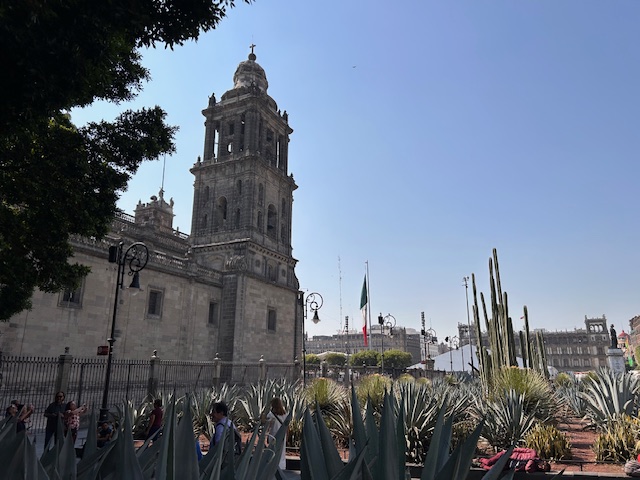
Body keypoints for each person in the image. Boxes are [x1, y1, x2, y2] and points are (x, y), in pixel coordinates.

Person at [265, 397, 287, 470]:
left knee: (273, 451)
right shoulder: (285, 414)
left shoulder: (271, 415)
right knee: (282, 451)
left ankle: (272, 466)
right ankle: (282, 466)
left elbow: (268, 425)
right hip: (283, 434)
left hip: (273, 435)